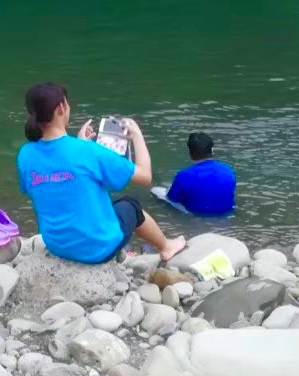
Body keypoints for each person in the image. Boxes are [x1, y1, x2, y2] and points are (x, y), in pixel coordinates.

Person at [16, 82, 186, 263]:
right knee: (131, 205)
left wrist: (81, 142)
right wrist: (137, 135)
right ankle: (166, 247)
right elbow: (145, 176)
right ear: (61, 108)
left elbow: (54, 181)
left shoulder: (25, 154)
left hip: (57, 246)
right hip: (97, 250)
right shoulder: (88, 151)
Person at [163, 132, 236, 216]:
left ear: (189, 152)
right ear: (212, 150)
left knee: (159, 192)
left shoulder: (183, 175)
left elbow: (172, 199)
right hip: (226, 217)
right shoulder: (228, 170)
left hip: (196, 218)